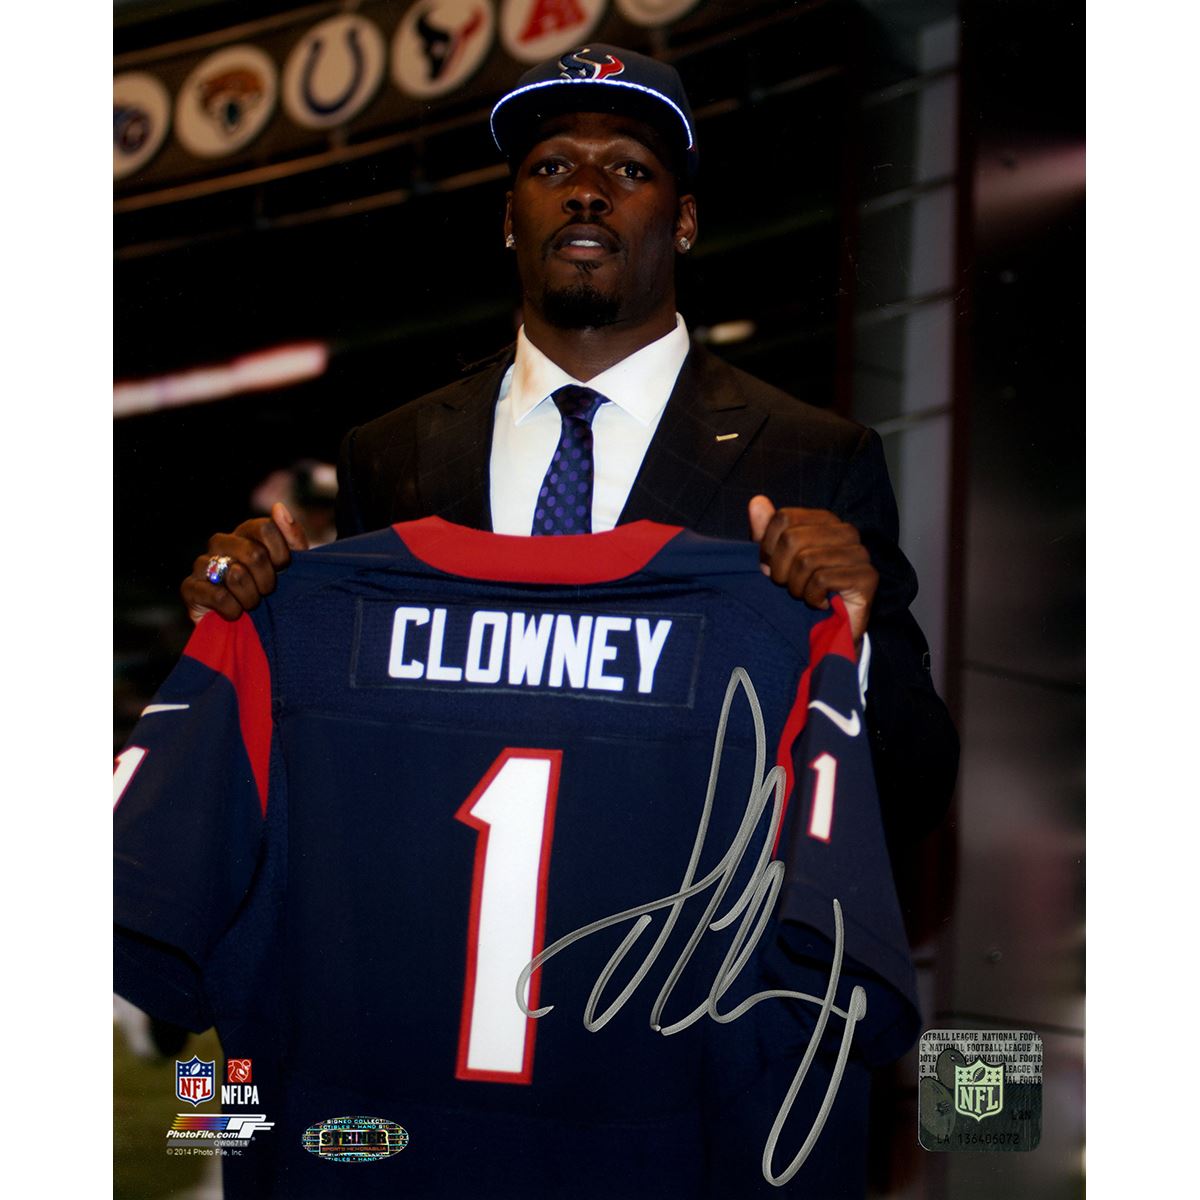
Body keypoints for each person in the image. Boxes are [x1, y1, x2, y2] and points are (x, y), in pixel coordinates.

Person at [179, 44, 957, 838]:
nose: (586, 191)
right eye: (552, 167)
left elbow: (918, 791)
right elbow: (331, 761)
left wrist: (853, 643)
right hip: (440, 911)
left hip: (685, 916)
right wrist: (238, 619)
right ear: (508, 219)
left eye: (629, 169)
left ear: (684, 222)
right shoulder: (389, 454)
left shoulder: (812, 457)